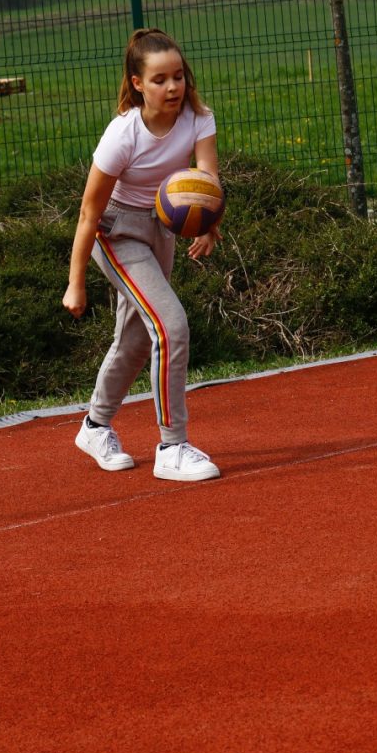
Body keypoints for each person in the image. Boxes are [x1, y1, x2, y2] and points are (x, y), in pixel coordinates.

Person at [62, 27, 222, 482]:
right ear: (137, 83)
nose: (172, 87)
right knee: (171, 326)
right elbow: (88, 212)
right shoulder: (123, 134)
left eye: (178, 77)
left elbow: (207, 180)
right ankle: (172, 447)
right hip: (117, 233)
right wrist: (75, 283)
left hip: (161, 229)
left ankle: (95, 426)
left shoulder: (198, 118)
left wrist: (208, 226)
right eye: (159, 79)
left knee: (135, 339)